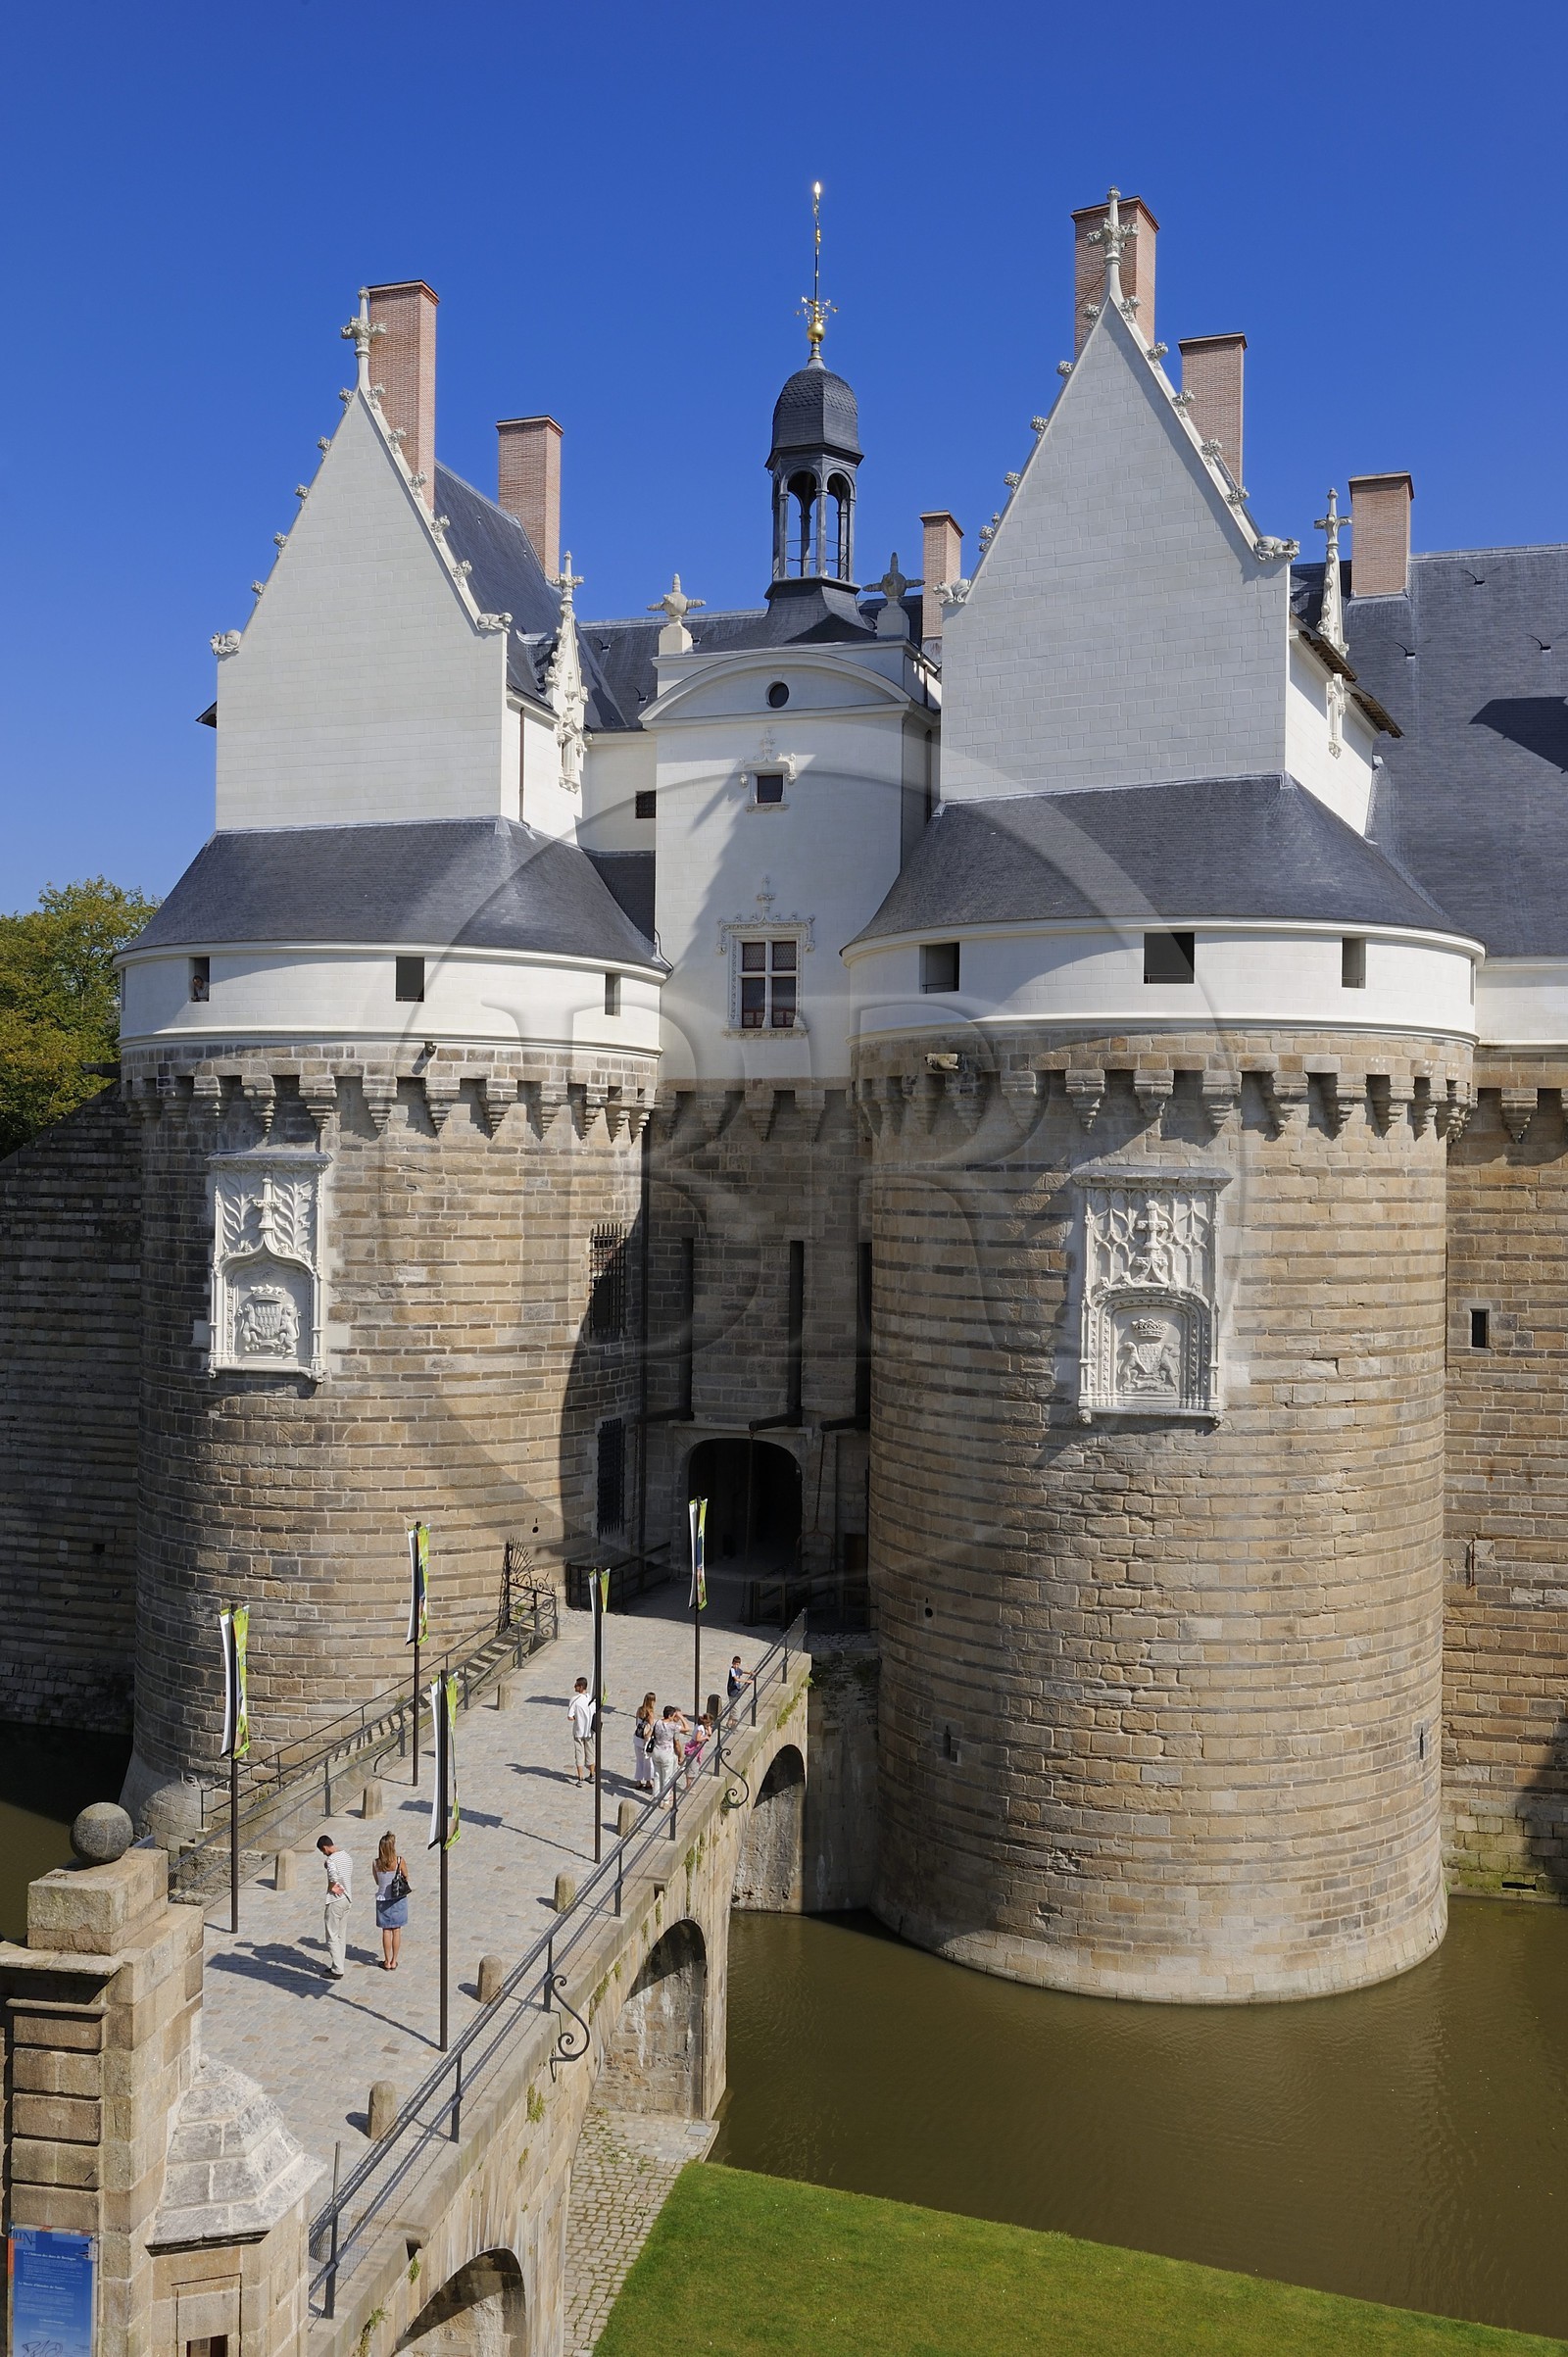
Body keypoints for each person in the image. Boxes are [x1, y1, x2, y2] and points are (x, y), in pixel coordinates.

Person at [372, 1830, 411, 1972]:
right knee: (397, 1930)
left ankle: (387, 1961)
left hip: (382, 1900)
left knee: (386, 1931)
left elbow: (377, 1882)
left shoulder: (376, 1863)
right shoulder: (399, 1861)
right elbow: (406, 1877)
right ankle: (394, 1960)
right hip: (397, 1899)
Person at [317, 1834, 353, 1979]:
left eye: (323, 1851)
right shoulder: (346, 1856)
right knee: (341, 1935)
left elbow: (333, 1876)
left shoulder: (331, 1860)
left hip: (335, 1901)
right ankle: (339, 1963)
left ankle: (337, 1969)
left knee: (332, 1935)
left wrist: (332, 1887)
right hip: (348, 1898)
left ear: (325, 1847)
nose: (324, 1854)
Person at [649, 1704, 688, 1801]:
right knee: (667, 1777)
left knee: (657, 1775)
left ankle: (655, 1796)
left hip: (656, 1751)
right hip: (667, 1754)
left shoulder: (657, 1722)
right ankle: (665, 1800)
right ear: (670, 1716)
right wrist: (681, 1717)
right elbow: (687, 1728)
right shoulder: (673, 1726)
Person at [567, 1676, 596, 1784]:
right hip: (589, 1731)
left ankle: (580, 1777)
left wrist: (577, 1718)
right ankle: (592, 1774)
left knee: (579, 1753)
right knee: (590, 1752)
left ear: (581, 1687)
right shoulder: (591, 1699)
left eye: (576, 1685)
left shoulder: (574, 1700)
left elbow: (570, 1717)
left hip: (579, 1731)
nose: (574, 1687)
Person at [633, 1692, 658, 1792]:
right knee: (648, 1762)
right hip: (645, 1741)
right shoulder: (650, 1713)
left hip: (637, 1738)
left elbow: (636, 1723)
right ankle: (648, 1782)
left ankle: (638, 1781)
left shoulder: (639, 1710)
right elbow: (651, 1727)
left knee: (639, 1761)